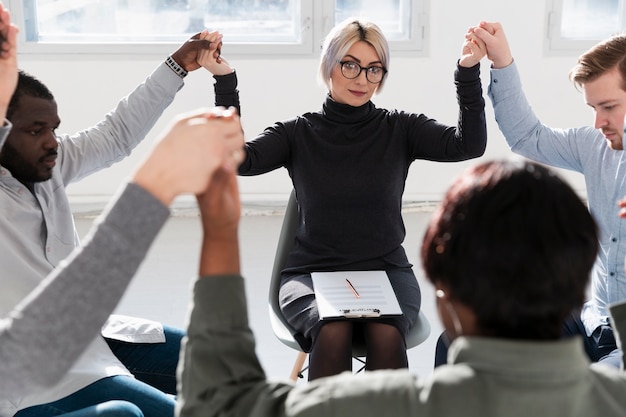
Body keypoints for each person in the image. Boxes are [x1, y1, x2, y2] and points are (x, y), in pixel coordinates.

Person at [177, 159, 626, 416]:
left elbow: (218, 404)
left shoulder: (389, 406)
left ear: (444, 301)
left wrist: (219, 233)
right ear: (578, 289)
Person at [197, 17, 488, 380]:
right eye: (350, 65)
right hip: (312, 273)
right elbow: (236, 160)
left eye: (374, 69)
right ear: (329, 65)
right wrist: (225, 82)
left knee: (385, 335)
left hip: (385, 269)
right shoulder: (298, 133)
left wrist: (467, 72)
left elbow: (468, 144)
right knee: (333, 330)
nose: (362, 79)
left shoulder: (399, 128)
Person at [0, 15, 233, 417]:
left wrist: (177, 65)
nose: (52, 142)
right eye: (35, 130)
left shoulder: (50, 164)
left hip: (88, 336)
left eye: (53, 128)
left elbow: (116, 134)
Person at [439, 20, 626, 368]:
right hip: (594, 322)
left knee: (588, 394)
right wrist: (502, 62)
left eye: (610, 107)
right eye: (594, 108)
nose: (599, 122)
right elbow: (528, 137)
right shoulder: (593, 144)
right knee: (465, 339)